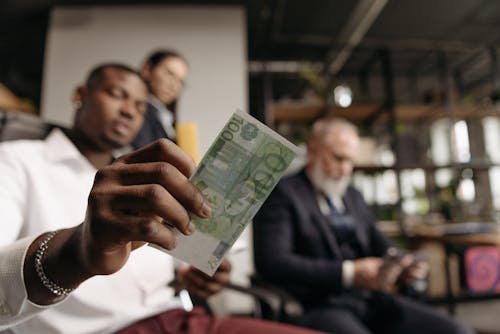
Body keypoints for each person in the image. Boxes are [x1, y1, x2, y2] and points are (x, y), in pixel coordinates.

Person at [0, 63, 324, 334]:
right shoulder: (15, 161)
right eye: (116, 94)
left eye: (141, 106)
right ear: (80, 95)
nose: (129, 110)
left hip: (181, 320)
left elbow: (147, 261)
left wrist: (187, 276)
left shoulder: (142, 175)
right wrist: (78, 252)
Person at [253, 117, 474, 334]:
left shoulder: (352, 195)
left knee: (456, 330)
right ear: (313, 151)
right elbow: (273, 262)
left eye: (350, 160)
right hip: (320, 303)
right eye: (338, 158)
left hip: (371, 299)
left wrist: (400, 260)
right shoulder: (284, 193)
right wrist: (349, 273)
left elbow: (375, 238)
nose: (346, 169)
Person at [132, 49, 189, 148]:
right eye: (170, 74)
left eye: (180, 81)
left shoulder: (165, 117)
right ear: (147, 68)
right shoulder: (134, 111)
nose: (174, 85)